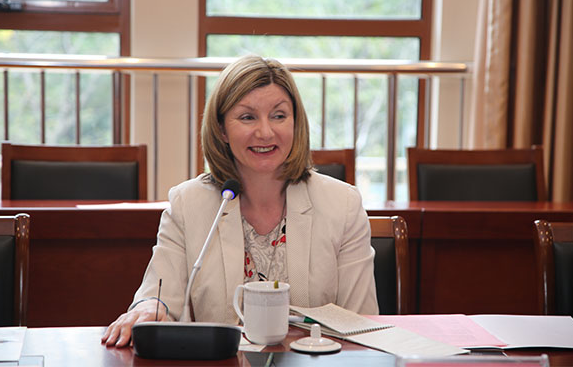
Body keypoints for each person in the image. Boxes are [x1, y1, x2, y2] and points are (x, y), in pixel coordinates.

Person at [102, 55, 378, 348]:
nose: (265, 132)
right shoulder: (188, 203)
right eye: (247, 117)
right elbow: (158, 295)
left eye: (279, 116)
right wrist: (149, 307)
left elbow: (361, 322)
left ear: (296, 123)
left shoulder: (342, 204)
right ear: (222, 128)